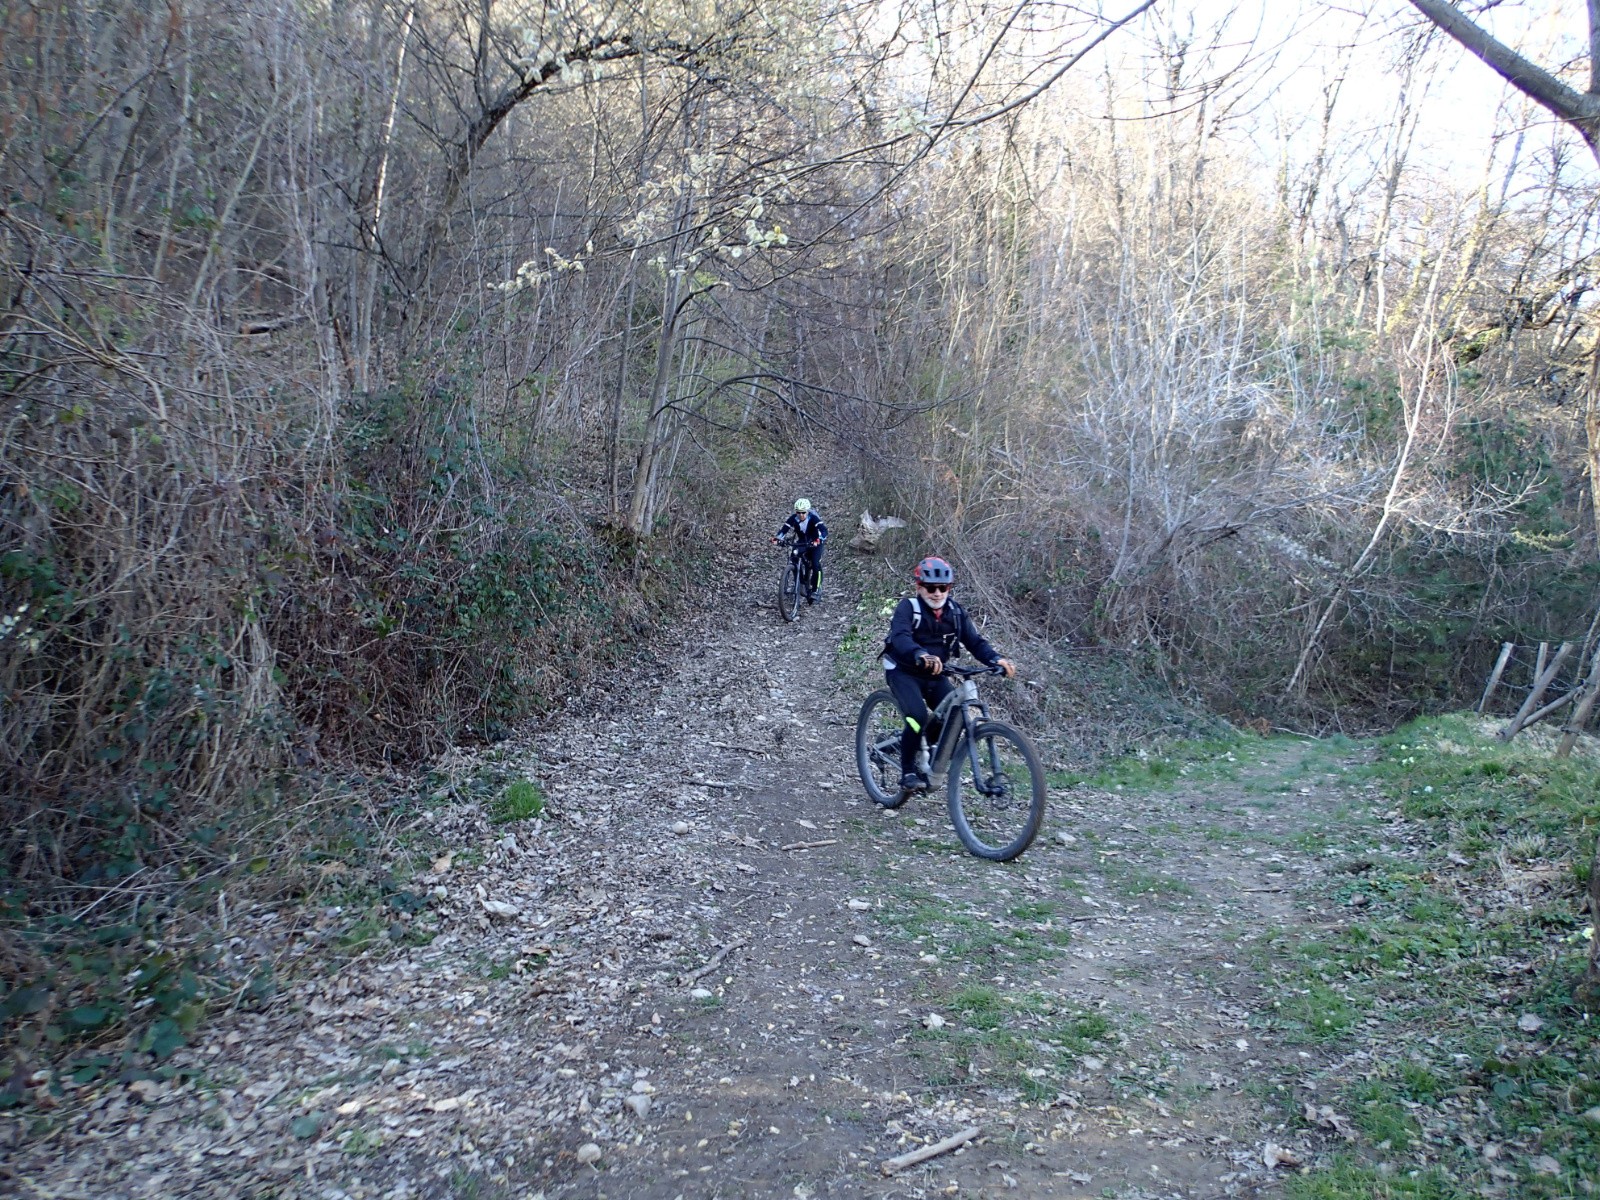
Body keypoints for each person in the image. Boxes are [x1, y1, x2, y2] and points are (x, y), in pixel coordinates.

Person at [881, 556, 1015, 792]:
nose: (937, 593)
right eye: (931, 588)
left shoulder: (955, 612)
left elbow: (974, 641)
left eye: (943, 588)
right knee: (916, 717)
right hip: (903, 671)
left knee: (953, 718)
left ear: (949, 588)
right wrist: (919, 653)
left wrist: (995, 659)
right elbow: (900, 636)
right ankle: (908, 771)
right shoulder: (908, 607)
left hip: (936, 674)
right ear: (919, 587)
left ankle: (922, 748)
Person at [773, 498, 828, 603]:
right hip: (802, 541)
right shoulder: (794, 518)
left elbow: (823, 530)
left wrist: (819, 539)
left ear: (807, 511)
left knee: (816, 564)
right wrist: (778, 539)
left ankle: (816, 589)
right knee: (793, 557)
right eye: (798, 512)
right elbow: (784, 529)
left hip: (815, 542)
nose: (801, 515)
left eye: (803, 512)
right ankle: (800, 583)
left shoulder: (813, 518)